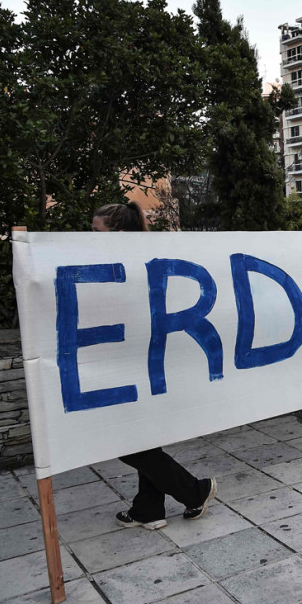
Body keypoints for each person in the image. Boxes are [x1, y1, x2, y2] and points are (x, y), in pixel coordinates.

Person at [92, 202, 218, 530]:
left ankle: (194, 491)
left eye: (95, 231)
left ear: (118, 234)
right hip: (137, 363)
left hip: (140, 363)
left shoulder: (129, 264)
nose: (88, 236)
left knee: (124, 442)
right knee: (141, 438)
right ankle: (148, 508)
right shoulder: (122, 260)